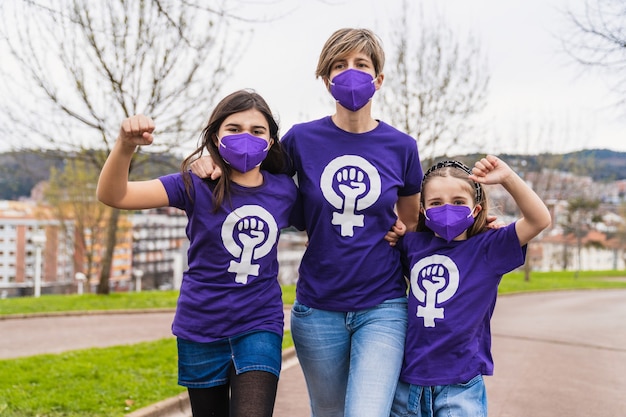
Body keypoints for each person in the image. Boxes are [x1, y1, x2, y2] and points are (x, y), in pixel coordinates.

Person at [190, 28, 423, 417]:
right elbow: (252, 174)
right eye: (338, 65)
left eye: (361, 65)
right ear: (325, 78)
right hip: (318, 309)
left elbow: (413, 221)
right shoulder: (300, 140)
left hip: (383, 304)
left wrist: (408, 231)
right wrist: (211, 161)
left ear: (378, 79)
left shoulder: (402, 147)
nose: (350, 73)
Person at [96, 90, 300, 417]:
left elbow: (324, 224)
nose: (245, 137)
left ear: (271, 142)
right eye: (233, 129)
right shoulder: (193, 185)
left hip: (259, 323)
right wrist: (125, 144)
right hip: (200, 326)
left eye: (257, 130)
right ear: (216, 137)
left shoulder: (285, 191)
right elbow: (113, 194)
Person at [390, 156, 552, 417]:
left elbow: (539, 220)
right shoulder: (412, 246)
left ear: (475, 210)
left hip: (460, 384)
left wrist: (507, 177)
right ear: (423, 210)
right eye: (436, 203)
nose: (447, 209)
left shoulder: (489, 248)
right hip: (407, 383)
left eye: (458, 203)